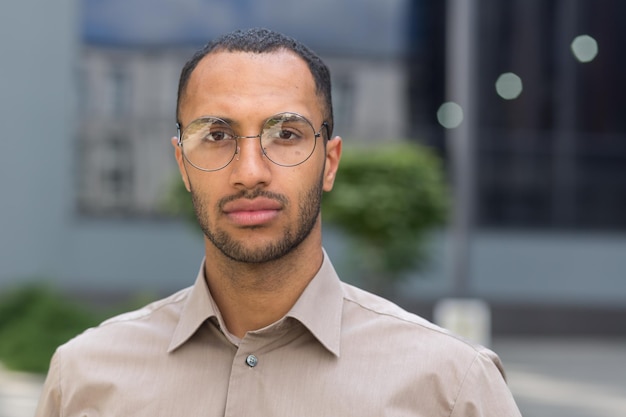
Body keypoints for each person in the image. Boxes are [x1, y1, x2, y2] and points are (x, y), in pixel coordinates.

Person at [35, 28, 521, 416]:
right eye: (218, 134)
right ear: (182, 164)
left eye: (286, 134)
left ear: (329, 163)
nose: (250, 173)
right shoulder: (84, 375)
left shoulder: (452, 388)